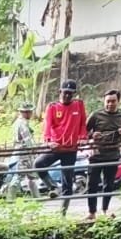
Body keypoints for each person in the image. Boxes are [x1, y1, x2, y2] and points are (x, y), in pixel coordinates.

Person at [35, 79, 87, 213]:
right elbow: (47, 126)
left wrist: (82, 138)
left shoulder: (79, 105)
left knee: (67, 181)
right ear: (60, 92)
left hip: (71, 148)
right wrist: (48, 141)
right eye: (65, 93)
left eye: (71, 93)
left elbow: (82, 124)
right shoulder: (52, 107)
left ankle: (63, 213)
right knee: (39, 164)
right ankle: (53, 187)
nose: (68, 96)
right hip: (56, 146)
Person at [83, 88, 121, 220]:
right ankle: (92, 212)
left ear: (118, 101)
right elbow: (84, 132)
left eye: (113, 101)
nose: (110, 104)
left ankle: (105, 209)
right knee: (92, 184)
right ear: (104, 101)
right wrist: (92, 135)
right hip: (96, 154)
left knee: (109, 184)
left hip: (113, 154)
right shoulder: (96, 115)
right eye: (108, 101)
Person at [0, 103, 42, 196]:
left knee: (31, 177)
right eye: (29, 112)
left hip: (24, 153)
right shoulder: (22, 124)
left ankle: (37, 197)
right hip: (23, 154)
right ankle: (10, 198)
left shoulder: (20, 123)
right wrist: (35, 150)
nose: (31, 113)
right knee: (18, 176)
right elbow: (28, 140)